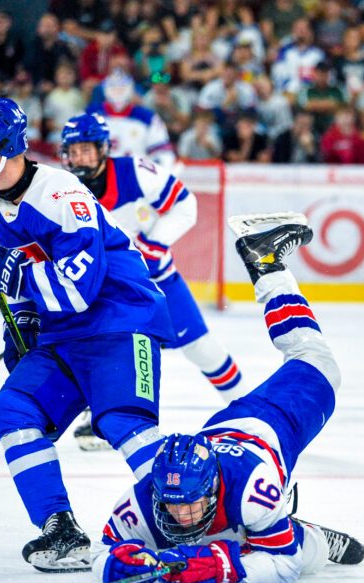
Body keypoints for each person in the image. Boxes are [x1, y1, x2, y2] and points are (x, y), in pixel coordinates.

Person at [0, 98, 174, 572]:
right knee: (12, 409)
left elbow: (80, 288)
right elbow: (22, 288)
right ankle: (60, 528)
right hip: (63, 334)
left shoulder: (60, 193)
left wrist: (9, 274)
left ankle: (198, 512)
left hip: (121, 318)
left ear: (4, 148)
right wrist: (21, 322)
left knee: (121, 422)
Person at [93, 212, 364, 583]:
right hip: (227, 430)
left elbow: (284, 568)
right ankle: (304, 534)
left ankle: (267, 265)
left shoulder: (253, 489)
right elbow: (101, 553)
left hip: (275, 422)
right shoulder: (149, 495)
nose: (182, 516)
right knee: (265, 544)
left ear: (212, 488)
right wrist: (119, 565)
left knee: (317, 361)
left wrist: (219, 568)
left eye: (190, 503)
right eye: (173, 505)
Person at [60, 112, 247, 450]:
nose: (79, 158)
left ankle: (249, 408)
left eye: (86, 150)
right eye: (73, 151)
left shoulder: (134, 172)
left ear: (103, 149)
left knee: (202, 348)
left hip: (156, 282)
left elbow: (185, 204)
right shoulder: (62, 190)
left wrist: (154, 244)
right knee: (97, 351)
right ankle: (96, 417)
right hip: (105, 293)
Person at [87, 70, 175, 166]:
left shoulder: (147, 117)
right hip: (99, 172)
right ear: (105, 90)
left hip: (136, 172)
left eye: (122, 88)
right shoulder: (90, 116)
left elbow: (163, 154)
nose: (117, 92)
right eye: (113, 88)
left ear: (131, 89)